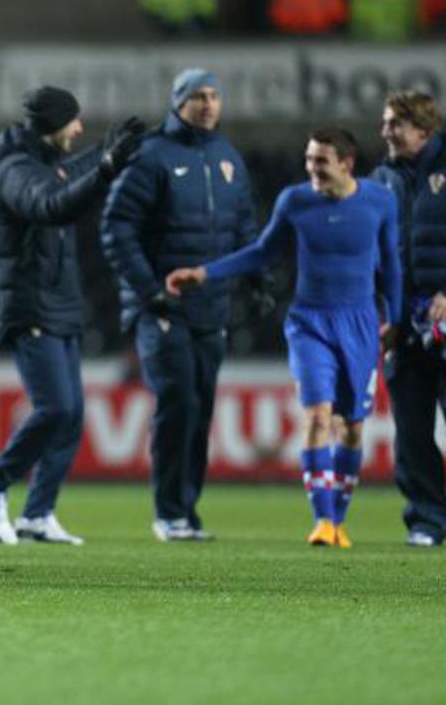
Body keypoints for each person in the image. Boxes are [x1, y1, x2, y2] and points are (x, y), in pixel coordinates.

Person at [168, 128, 399, 547]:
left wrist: (395, 319)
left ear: (346, 163)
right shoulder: (294, 201)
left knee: (351, 428)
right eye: (309, 159)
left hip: (361, 324)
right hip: (309, 322)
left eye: (321, 161)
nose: (312, 168)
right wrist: (204, 273)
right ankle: (323, 521)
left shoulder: (380, 201)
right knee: (317, 417)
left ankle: (338, 519)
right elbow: (261, 251)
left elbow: (393, 266)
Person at [0, 87, 144, 546]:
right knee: (57, 408)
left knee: (72, 415)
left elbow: (67, 175)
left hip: (57, 303)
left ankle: (38, 513)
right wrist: (106, 165)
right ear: (52, 125)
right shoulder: (14, 171)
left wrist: (107, 153)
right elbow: (51, 204)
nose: (79, 128)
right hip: (29, 305)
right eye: (73, 121)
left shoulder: (41, 162)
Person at [101, 68, 264, 542]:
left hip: (210, 307)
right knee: (178, 403)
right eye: (198, 96)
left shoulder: (228, 156)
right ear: (178, 103)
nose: (209, 104)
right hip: (162, 309)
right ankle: (169, 511)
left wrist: (256, 277)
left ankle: (185, 510)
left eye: (215, 95)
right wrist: (149, 290)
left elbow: (244, 228)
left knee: (201, 408)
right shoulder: (151, 156)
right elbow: (116, 229)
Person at [370, 90, 446, 546]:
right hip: (402, 323)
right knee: (412, 429)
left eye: (395, 124)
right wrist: (382, 314)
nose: (386, 132)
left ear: (423, 127)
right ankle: (428, 520)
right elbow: (371, 256)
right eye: (385, 124)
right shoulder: (380, 179)